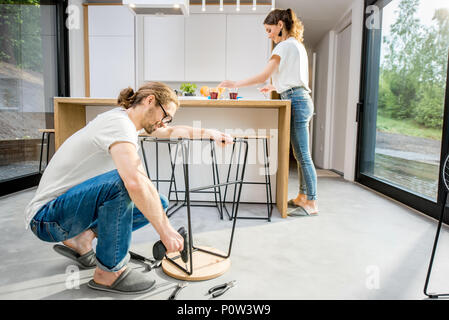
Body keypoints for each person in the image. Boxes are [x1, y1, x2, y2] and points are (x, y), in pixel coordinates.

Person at [24, 81, 234, 294]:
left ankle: (82, 239)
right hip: (46, 218)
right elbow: (132, 181)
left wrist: (210, 132)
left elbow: (170, 131)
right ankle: (109, 273)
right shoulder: (119, 124)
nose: (164, 122)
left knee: (157, 203)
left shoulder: (127, 122)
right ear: (150, 100)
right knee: (126, 182)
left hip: (66, 212)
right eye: (165, 115)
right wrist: (166, 231)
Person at [219, 8, 318, 215]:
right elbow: (295, 79)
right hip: (299, 98)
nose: (269, 34)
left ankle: (312, 201)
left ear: (280, 25)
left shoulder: (283, 46)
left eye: (269, 29)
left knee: (303, 155)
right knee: (299, 154)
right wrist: (275, 88)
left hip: (296, 101)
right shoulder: (296, 46)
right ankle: (302, 196)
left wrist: (235, 83)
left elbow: (264, 75)